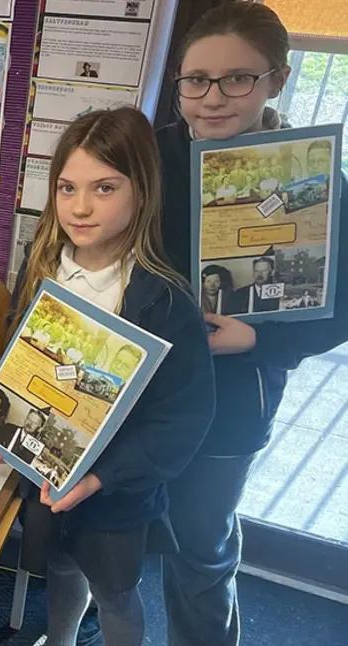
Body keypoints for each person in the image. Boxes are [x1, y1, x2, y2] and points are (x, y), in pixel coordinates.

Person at [0, 107, 215, 646]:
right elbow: (16, 356)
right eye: (67, 188)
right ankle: (59, 641)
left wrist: (102, 477)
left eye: (104, 188)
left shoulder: (165, 298)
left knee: (115, 592)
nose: (80, 208)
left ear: (141, 191)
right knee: (59, 569)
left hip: (117, 492)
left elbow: (183, 417)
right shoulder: (41, 265)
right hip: (47, 475)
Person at [156, 5, 348, 645]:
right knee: (118, 528)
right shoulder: (148, 156)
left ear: (277, 79)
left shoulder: (312, 177)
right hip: (136, 384)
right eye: (195, 80)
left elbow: (340, 305)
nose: (211, 99)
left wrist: (260, 339)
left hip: (231, 399)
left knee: (202, 548)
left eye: (236, 79)